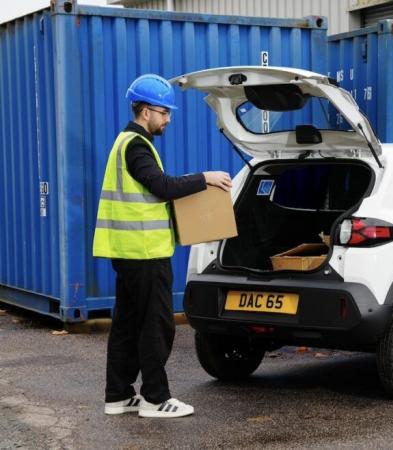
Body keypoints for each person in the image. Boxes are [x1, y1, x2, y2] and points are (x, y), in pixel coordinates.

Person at [93, 74, 232, 418]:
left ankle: (119, 395)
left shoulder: (126, 142)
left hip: (129, 251)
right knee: (157, 325)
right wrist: (205, 178)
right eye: (164, 112)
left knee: (127, 324)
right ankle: (156, 399)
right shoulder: (136, 145)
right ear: (144, 112)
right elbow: (161, 186)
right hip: (144, 252)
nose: (168, 118)